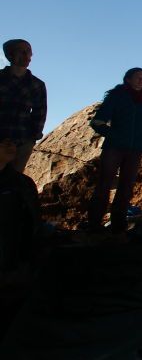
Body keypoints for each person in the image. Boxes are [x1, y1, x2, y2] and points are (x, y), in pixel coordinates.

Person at [87, 67, 142, 234]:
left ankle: (118, 226)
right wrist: (114, 135)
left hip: (135, 150)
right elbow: (97, 122)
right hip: (113, 148)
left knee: (126, 187)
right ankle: (94, 225)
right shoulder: (116, 97)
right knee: (104, 184)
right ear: (128, 79)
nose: (141, 80)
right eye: (138, 77)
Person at [0, 39, 47, 173]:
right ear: (10, 55)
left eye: (29, 52)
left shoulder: (37, 85)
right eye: (22, 51)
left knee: (14, 182)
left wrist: (31, 139)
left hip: (21, 141)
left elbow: (40, 113)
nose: (27, 55)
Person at [0, 138, 40, 272]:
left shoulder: (23, 183)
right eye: (3, 142)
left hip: (13, 258)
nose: (11, 145)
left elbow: (33, 222)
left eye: (12, 141)